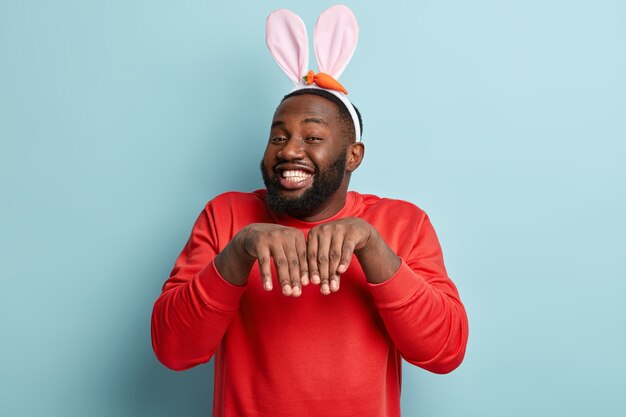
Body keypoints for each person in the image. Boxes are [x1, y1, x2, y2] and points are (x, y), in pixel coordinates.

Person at [151, 5, 468, 417]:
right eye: (278, 136)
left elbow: (444, 351)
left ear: (353, 155)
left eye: (312, 136)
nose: (289, 151)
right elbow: (173, 349)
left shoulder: (403, 223)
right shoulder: (226, 215)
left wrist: (372, 248)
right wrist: (239, 250)